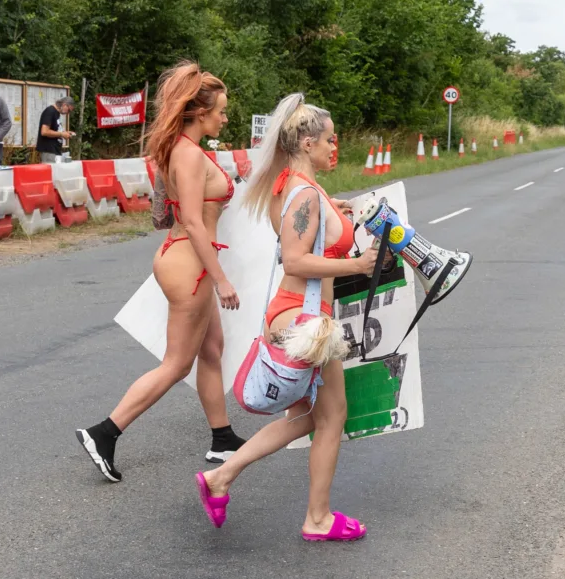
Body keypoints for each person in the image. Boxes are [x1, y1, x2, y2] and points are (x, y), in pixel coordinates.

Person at [193, 93, 378, 541]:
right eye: (330, 141)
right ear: (308, 142)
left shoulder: (293, 186)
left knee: (308, 418)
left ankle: (222, 477)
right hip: (304, 319)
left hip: (296, 315)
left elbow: (312, 229)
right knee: (331, 416)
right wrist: (356, 265)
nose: (335, 148)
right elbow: (295, 261)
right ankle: (317, 518)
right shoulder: (303, 195)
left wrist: (341, 211)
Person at [75, 61, 246, 483]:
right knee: (176, 364)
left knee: (212, 347)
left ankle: (221, 437)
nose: (225, 118)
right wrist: (221, 278)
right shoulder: (188, 154)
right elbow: (191, 219)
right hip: (188, 262)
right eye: (220, 111)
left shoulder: (185, 150)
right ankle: (105, 433)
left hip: (186, 258)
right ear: (199, 113)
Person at [35, 96, 76, 163]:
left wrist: (65, 132)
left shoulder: (57, 113)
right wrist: (62, 134)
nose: (68, 113)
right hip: (49, 151)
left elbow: (54, 130)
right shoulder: (50, 111)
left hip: (55, 151)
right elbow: (44, 131)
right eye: (69, 110)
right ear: (64, 105)